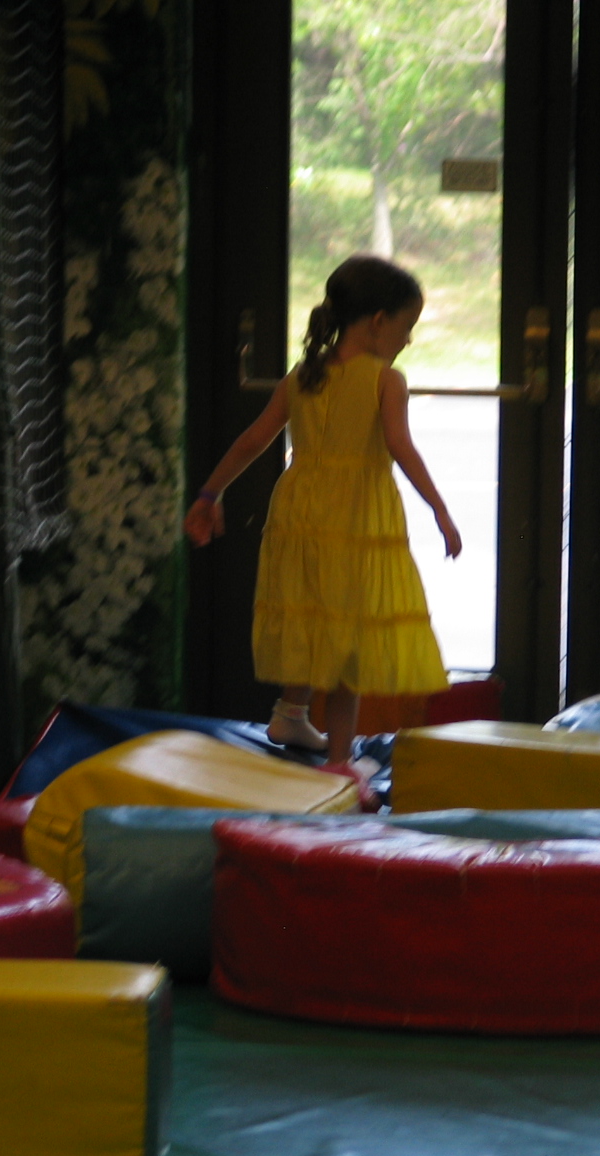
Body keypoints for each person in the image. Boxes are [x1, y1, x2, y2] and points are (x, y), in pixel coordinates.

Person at [184, 255, 461, 793]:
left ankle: (292, 711)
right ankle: (339, 761)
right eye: (406, 327)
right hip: (354, 514)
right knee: (347, 633)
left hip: (299, 510)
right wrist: (440, 509)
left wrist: (209, 494)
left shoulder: (303, 376)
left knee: (311, 612)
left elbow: (252, 441)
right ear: (377, 322)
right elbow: (400, 447)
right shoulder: (386, 380)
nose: (408, 340)